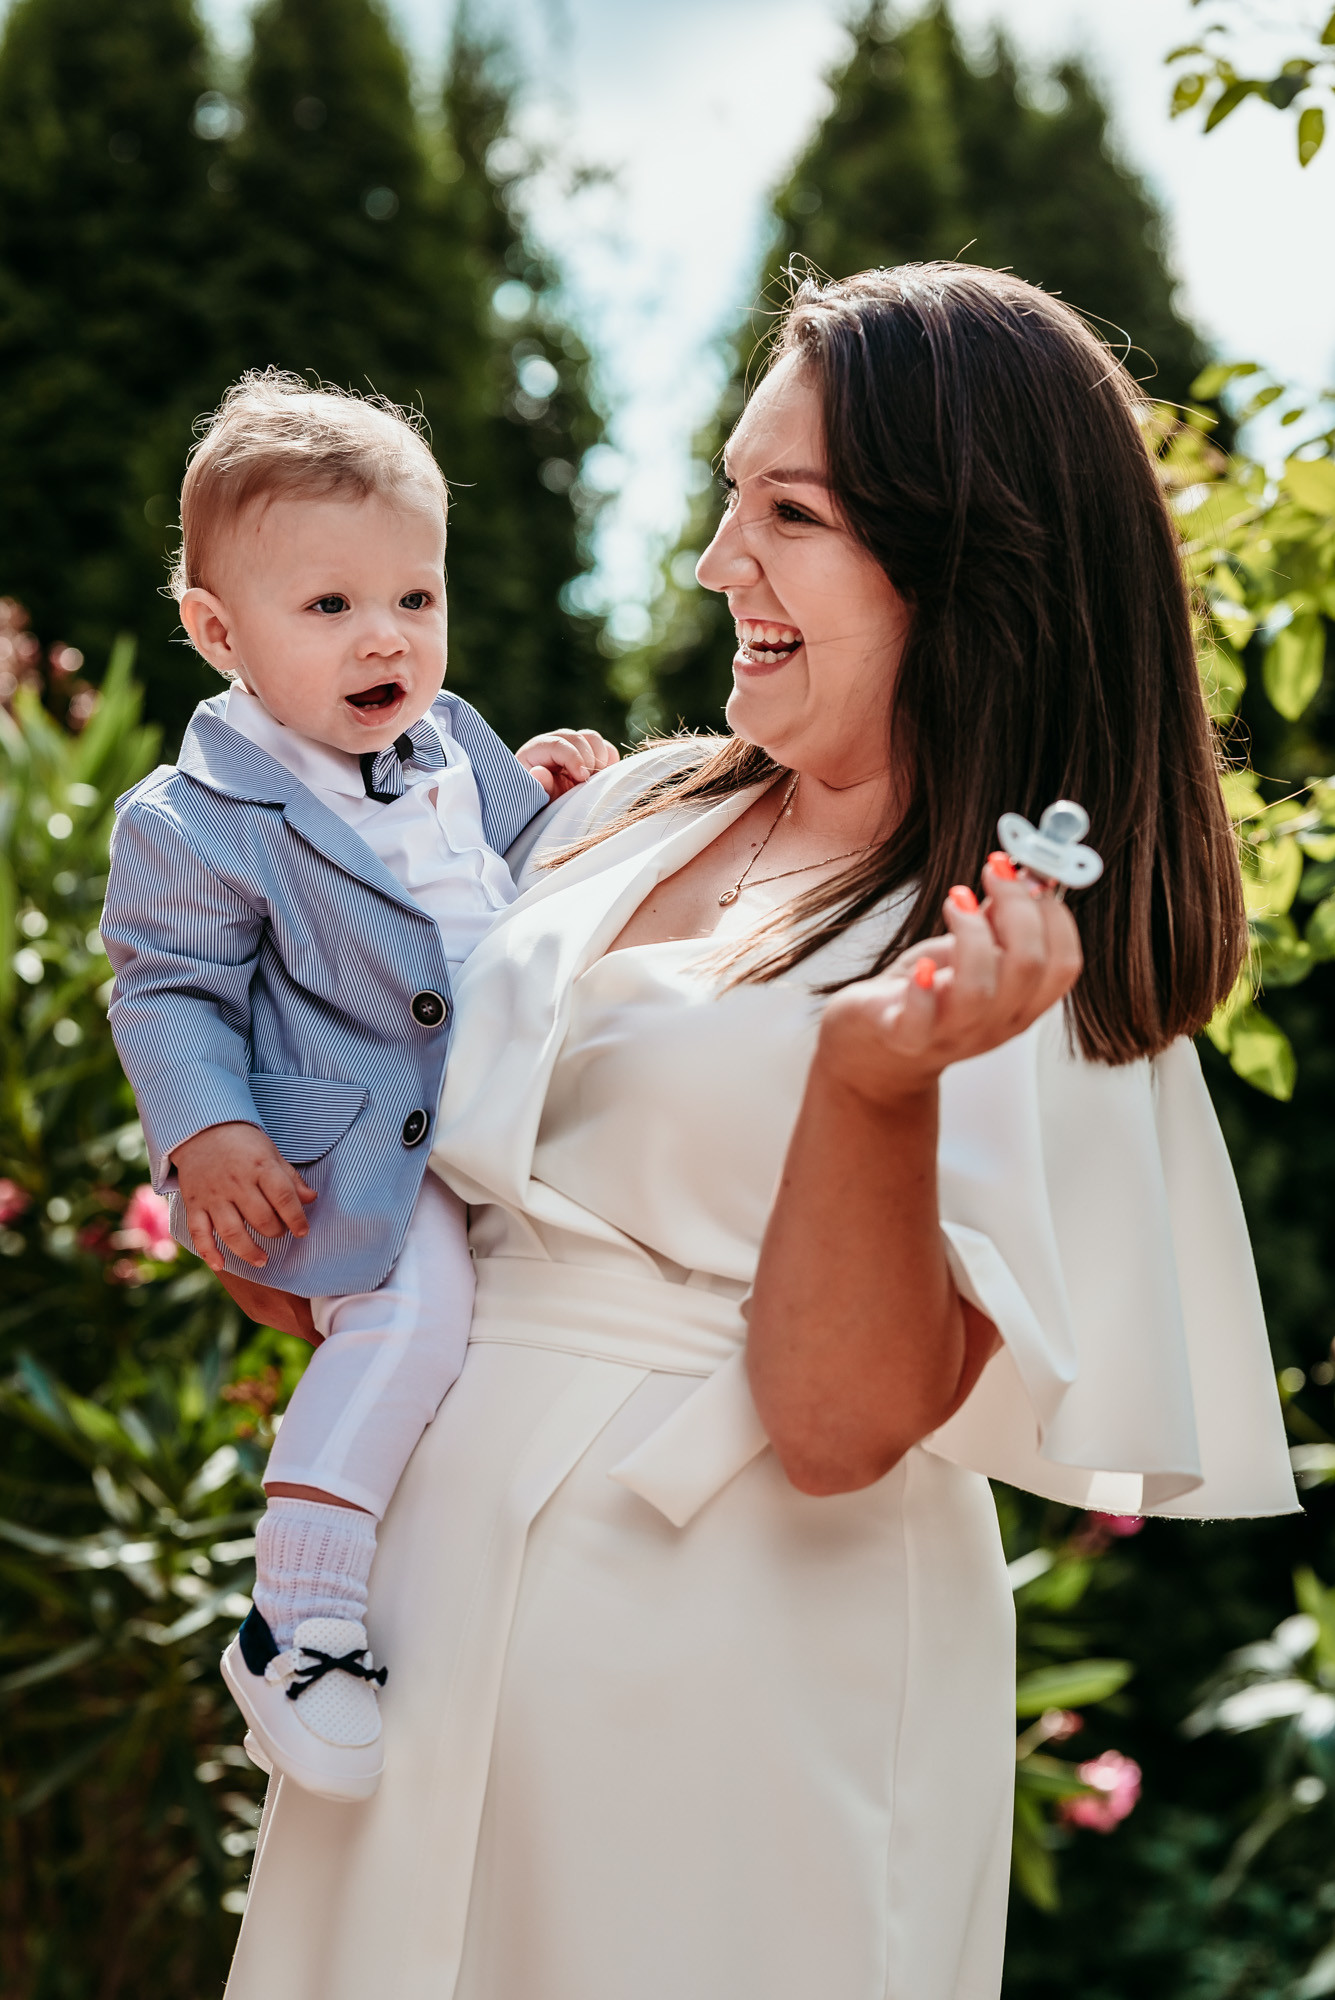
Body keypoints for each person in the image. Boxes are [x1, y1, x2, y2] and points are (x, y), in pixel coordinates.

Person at [221, 267, 1296, 2000]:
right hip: (420, 1626)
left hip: (741, 1678)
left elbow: (838, 1425)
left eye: (790, 515)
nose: (720, 562)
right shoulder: (626, 808)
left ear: (969, 562)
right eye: (731, 499)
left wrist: (872, 1084)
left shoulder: (1010, 957)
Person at [100, 371, 617, 1803]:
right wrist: (210, 1133)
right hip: (358, 1154)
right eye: (329, 606)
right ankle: (299, 1612)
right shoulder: (197, 817)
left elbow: (529, 877)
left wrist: (561, 794)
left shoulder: (455, 746)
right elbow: (168, 990)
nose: (386, 636)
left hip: (504, 1117)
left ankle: (460, 1588)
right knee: (414, 1316)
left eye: (415, 597)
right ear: (221, 634)